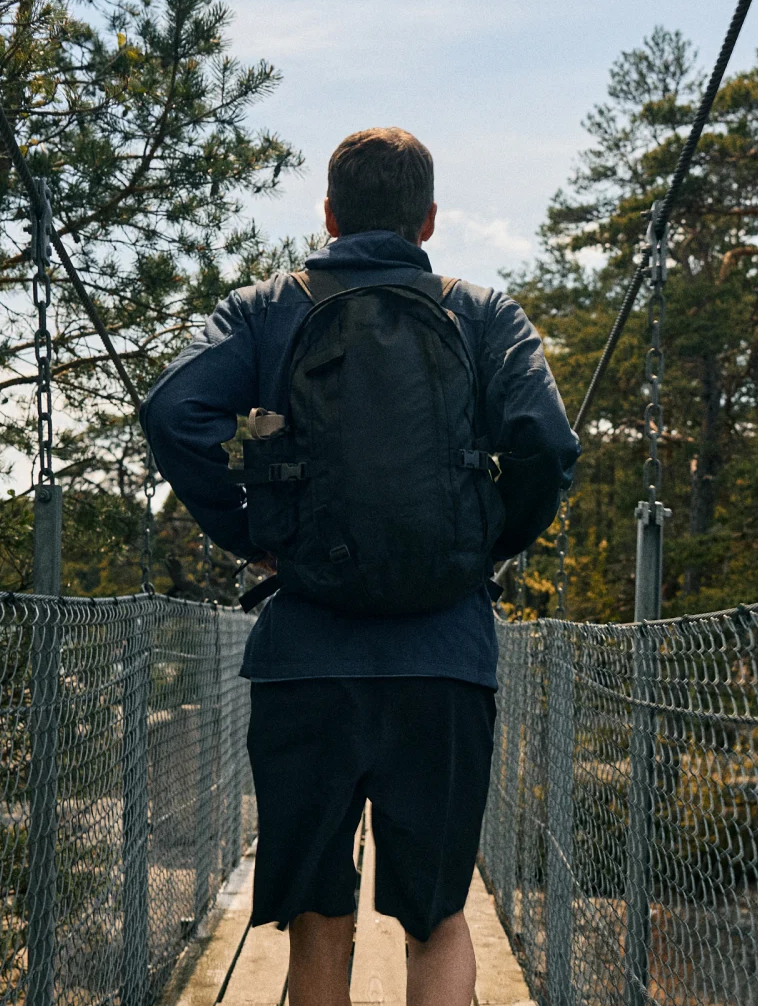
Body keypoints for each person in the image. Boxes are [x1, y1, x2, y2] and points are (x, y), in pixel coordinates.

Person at [141, 127, 578, 1006]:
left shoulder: (268, 307)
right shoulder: (484, 313)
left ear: (331, 215)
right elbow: (544, 444)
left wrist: (244, 532)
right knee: (439, 915)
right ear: (428, 220)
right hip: (446, 657)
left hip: (305, 655)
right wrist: (482, 547)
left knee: (317, 915)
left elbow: (171, 412)